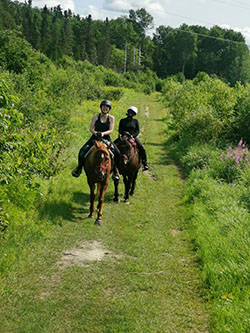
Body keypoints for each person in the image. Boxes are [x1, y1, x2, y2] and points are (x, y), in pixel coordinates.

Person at [72, 99, 119, 178]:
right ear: (101, 107)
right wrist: (95, 133)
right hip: (95, 138)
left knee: (116, 152)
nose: (105, 108)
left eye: (107, 107)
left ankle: (115, 170)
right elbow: (91, 128)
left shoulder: (111, 118)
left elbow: (111, 130)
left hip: (106, 138)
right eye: (103, 107)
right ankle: (79, 168)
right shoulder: (95, 116)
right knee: (83, 150)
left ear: (109, 109)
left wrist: (103, 133)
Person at [115, 106, 149, 171]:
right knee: (113, 146)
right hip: (123, 137)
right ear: (128, 112)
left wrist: (132, 136)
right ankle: (113, 165)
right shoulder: (122, 120)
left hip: (132, 137)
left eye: (132, 112)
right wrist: (124, 133)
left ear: (134, 114)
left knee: (141, 147)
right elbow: (119, 130)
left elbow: (137, 130)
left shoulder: (135, 121)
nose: (130, 113)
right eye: (130, 111)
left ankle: (144, 163)